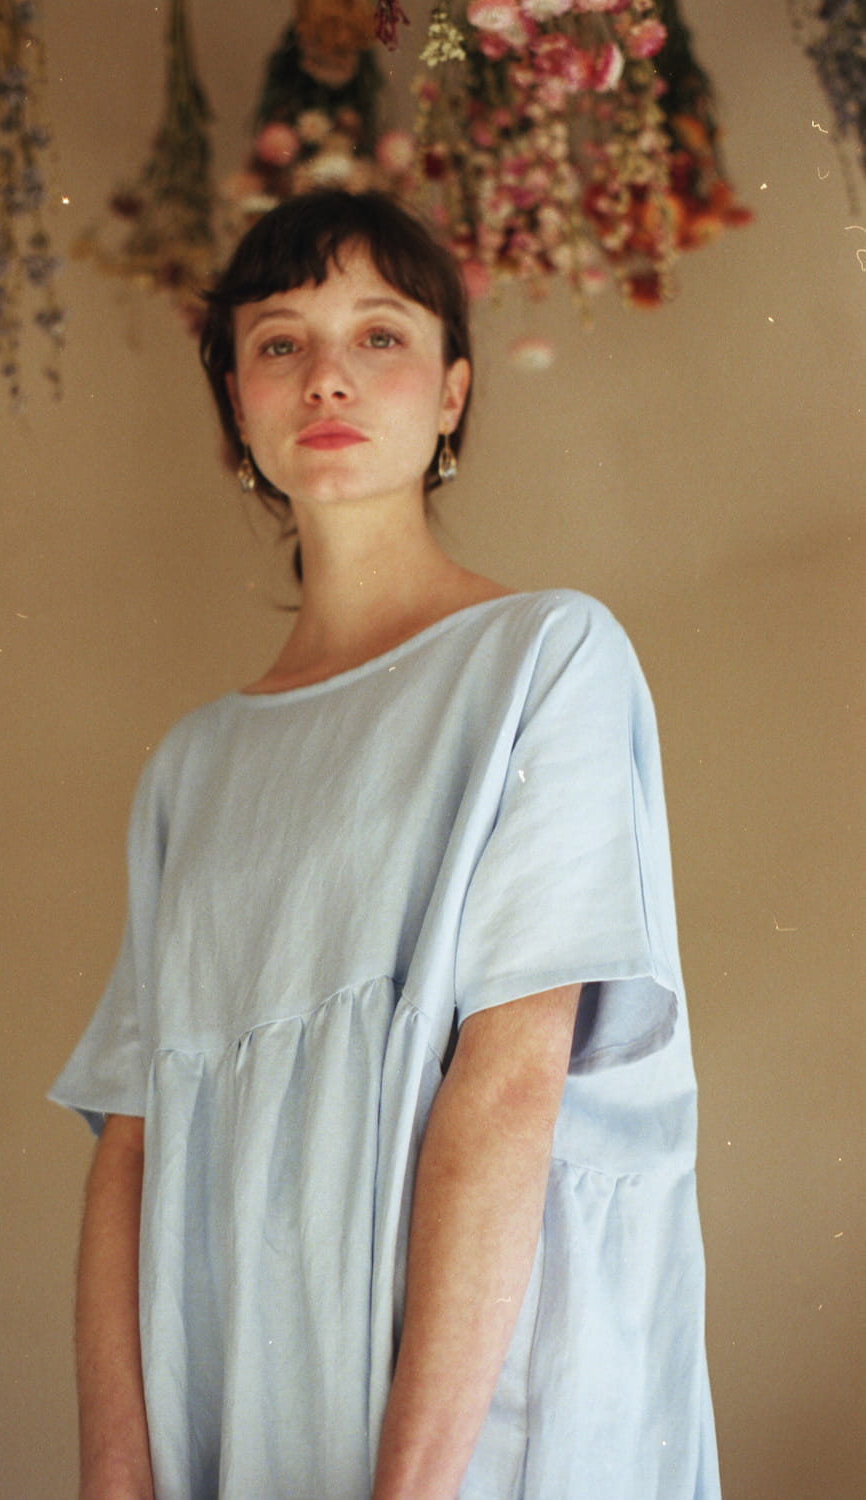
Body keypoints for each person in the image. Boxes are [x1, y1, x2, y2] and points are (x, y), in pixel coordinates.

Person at [51, 189, 720, 1500]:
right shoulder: (192, 766)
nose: (327, 376)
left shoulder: (545, 657)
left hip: (479, 1406)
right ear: (234, 402)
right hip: (238, 1389)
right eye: (280, 341)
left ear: (452, 389)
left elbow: (512, 1084)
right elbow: (133, 1148)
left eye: (379, 334)